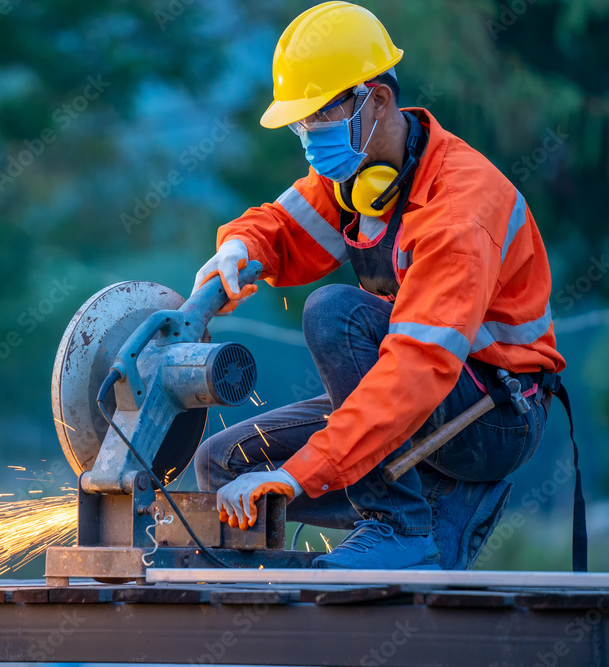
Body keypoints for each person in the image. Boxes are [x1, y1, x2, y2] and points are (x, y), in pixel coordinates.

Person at [191, 1, 564, 570]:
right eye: (302, 121)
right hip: (423, 388)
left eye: (320, 115)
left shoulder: (460, 208)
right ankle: (409, 514)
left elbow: (416, 370)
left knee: (334, 312)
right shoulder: (357, 179)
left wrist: (299, 474)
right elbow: (284, 230)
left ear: (378, 99)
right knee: (226, 466)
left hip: (493, 413)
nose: (310, 135)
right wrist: (238, 249)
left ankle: (400, 523)